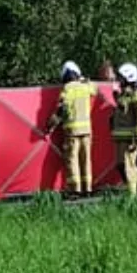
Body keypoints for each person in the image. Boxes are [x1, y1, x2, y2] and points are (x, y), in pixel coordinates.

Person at [46, 61, 111, 199]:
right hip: (87, 131)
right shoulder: (85, 87)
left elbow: (61, 109)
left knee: (72, 160)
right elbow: (96, 89)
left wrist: (50, 125)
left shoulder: (67, 89)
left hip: (72, 131)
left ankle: (75, 190)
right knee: (86, 159)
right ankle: (87, 188)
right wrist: (85, 80)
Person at [109, 64, 137, 196]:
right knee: (120, 165)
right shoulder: (124, 94)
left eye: (121, 78)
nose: (119, 80)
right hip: (120, 137)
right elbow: (122, 110)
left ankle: (132, 197)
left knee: (129, 166)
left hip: (131, 137)